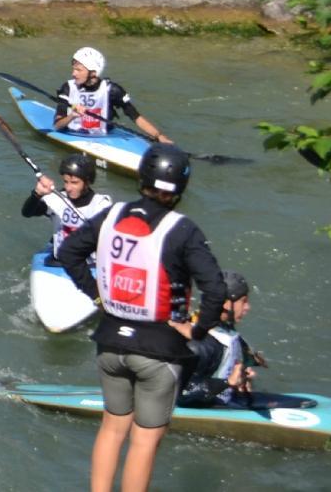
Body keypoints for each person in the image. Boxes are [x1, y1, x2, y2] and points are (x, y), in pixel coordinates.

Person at [55, 144, 226, 492]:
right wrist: (197, 330)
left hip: (109, 343)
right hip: (159, 351)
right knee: (144, 441)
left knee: (112, 428)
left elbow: (68, 251)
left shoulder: (111, 215)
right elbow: (216, 289)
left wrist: (97, 295)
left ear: (142, 178)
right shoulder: (182, 229)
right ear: (180, 188)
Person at [54, 47, 172, 146]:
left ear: (93, 72)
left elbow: (135, 117)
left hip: (104, 137)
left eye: (79, 70)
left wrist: (159, 136)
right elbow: (57, 125)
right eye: (74, 69)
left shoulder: (112, 90)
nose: (73, 73)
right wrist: (72, 116)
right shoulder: (68, 88)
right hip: (73, 134)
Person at [178, 272, 257, 409]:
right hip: (195, 408)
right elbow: (183, 394)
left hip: (222, 402)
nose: (247, 307)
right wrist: (228, 382)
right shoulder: (199, 346)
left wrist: (243, 379)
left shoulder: (226, 331)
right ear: (226, 304)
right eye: (243, 301)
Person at [23, 153, 113, 252]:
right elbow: (27, 213)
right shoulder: (56, 199)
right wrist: (37, 194)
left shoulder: (101, 205)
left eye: (74, 183)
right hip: (60, 257)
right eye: (66, 182)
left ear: (87, 182)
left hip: (87, 259)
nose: (68, 188)